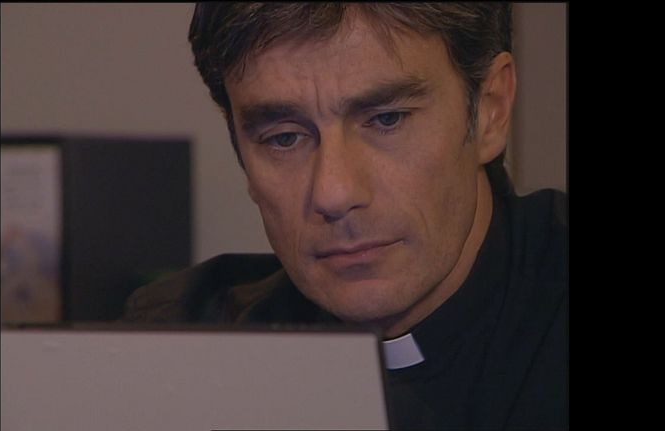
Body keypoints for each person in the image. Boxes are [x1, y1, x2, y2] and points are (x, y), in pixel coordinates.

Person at [122, 3, 567, 430]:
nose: (333, 194)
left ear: (490, 109)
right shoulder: (173, 350)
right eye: (284, 139)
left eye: (387, 119)